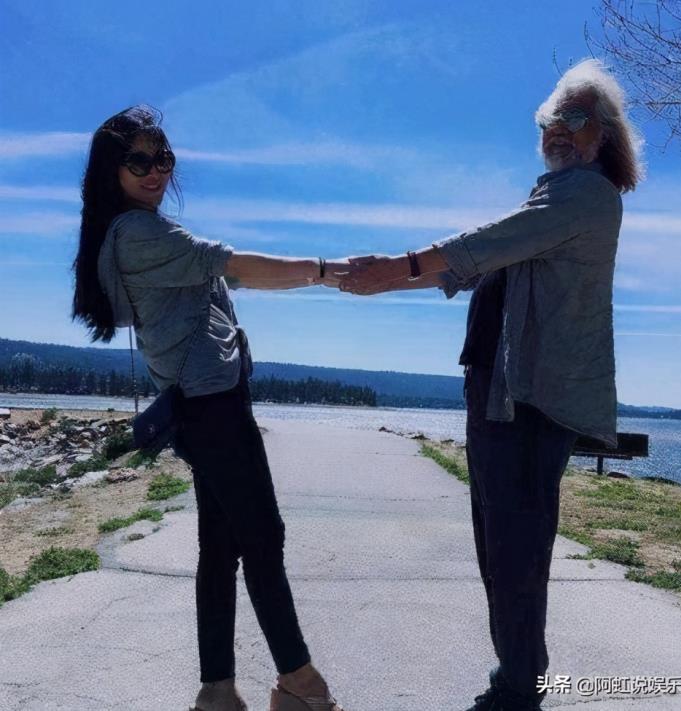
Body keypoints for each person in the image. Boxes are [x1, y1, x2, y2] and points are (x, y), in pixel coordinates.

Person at [338, 59, 642, 711]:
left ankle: (520, 689)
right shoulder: (552, 200)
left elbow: (482, 245)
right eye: (548, 118)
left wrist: (393, 267)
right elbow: (464, 269)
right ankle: (515, 676)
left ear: (604, 136)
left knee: (515, 552)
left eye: (575, 117)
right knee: (499, 548)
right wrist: (381, 279)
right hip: (500, 395)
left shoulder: (584, 196)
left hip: (528, 404)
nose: (557, 129)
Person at [71, 105, 352, 711]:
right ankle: (300, 682)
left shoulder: (142, 230)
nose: (155, 171)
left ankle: (217, 690)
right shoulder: (139, 233)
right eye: (139, 161)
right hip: (211, 405)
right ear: (111, 171)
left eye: (163, 158)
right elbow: (236, 265)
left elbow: (230, 281)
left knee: (222, 549)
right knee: (263, 536)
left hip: (207, 402)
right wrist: (326, 271)